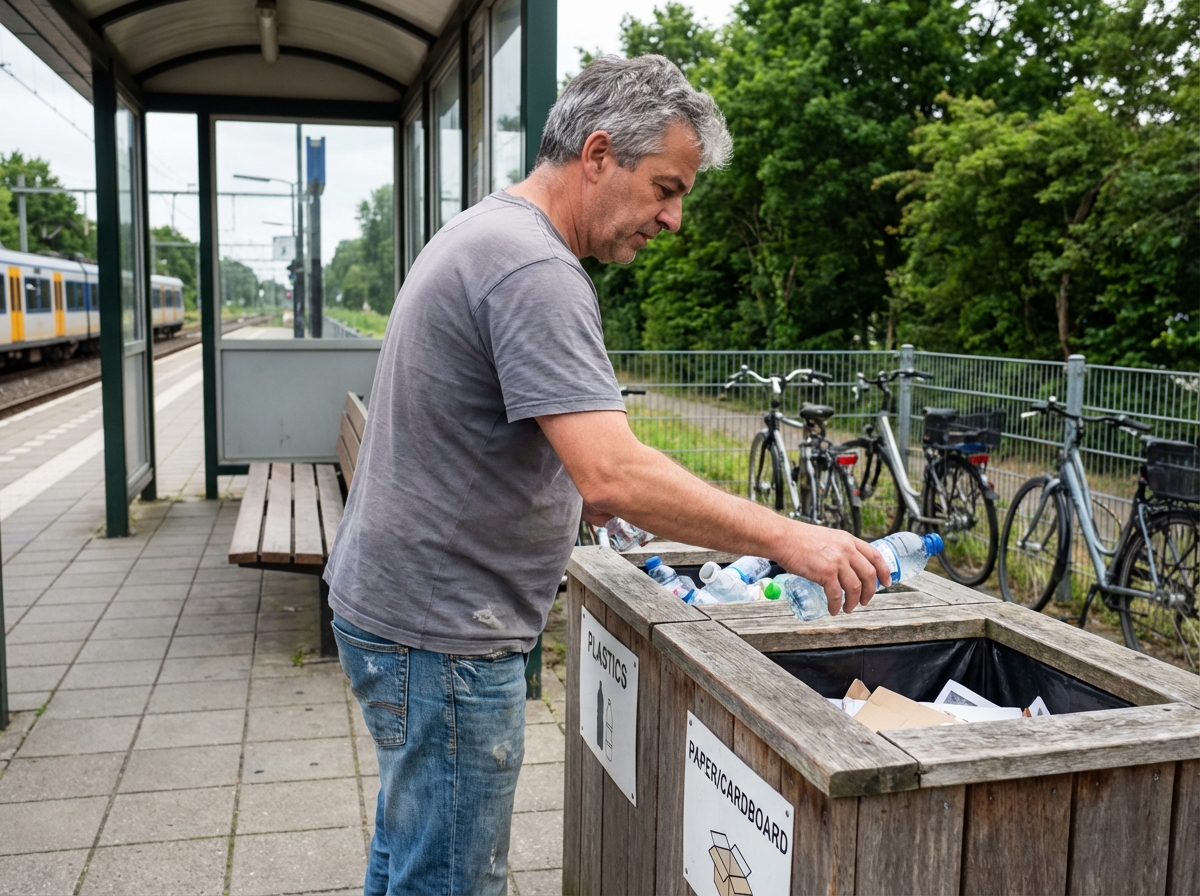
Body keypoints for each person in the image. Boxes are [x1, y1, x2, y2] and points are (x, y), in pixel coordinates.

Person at [324, 54, 891, 896]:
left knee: (411, 859)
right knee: (447, 881)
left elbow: (511, 430)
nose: (674, 220)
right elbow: (614, 473)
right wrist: (792, 536)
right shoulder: (536, 270)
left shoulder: (492, 231)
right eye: (666, 188)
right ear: (597, 155)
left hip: (403, 609)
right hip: (441, 633)